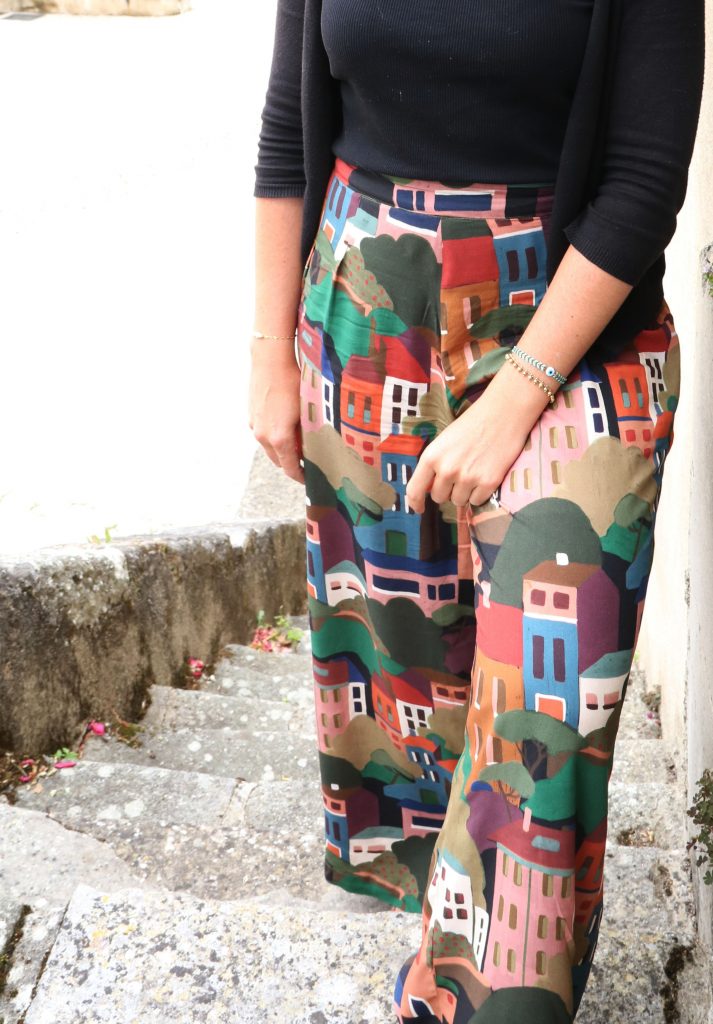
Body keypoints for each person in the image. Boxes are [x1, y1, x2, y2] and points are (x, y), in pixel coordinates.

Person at [249, 1, 706, 1021]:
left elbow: (642, 179)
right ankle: (441, 941)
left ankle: (480, 998)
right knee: (407, 660)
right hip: (369, 310)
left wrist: (512, 402)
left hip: (577, 333)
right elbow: (289, 122)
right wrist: (268, 353)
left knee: (548, 696)